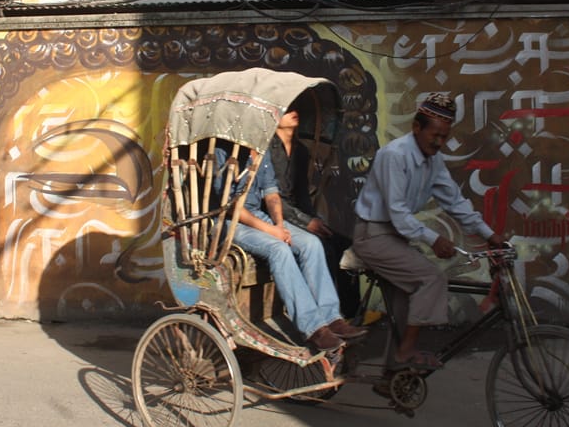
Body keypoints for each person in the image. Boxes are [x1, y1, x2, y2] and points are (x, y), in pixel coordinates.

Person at [352, 92, 505, 370]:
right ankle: (405, 352)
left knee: (407, 305)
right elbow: (398, 212)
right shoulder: (394, 156)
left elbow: (456, 203)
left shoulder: (434, 161)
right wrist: (434, 239)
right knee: (432, 278)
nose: (438, 142)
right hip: (373, 235)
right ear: (416, 128)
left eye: (444, 136)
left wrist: (490, 235)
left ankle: (393, 376)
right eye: (434, 134)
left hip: (396, 237)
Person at [214, 145, 366, 351]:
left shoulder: (262, 150)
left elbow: (272, 195)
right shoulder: (223, 153)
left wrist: (279, 225)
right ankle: (313, 328)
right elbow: (232, 207)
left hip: (258, 215)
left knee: (311, 244)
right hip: (229, 221)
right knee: (279, 249)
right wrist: (272, 231)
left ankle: (331, 319)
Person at [267, 102, 361, 319]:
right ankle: (325, 316)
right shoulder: (267, 151)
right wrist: (306, 223)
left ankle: (351, 315)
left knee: (344, 245)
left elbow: (301, 194)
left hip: (296, 212)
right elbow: (270, 198)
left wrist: (313, 219)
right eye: (286, 109)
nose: (294, 112)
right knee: (322, 248)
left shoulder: (300, 150)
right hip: (275, 216)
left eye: (295, 108)